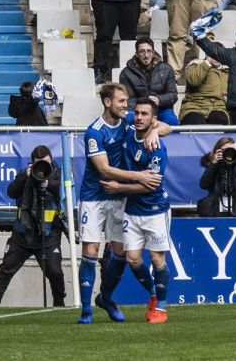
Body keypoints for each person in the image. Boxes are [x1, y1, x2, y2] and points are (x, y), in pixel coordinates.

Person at [75, 83, 164, 325]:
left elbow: (168, 126)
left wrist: (155, 130)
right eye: (122, 101)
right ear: (107, 102)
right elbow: (103, 169)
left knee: (121, 254)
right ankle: (85, 311)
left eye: (127, 101)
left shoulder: (127, 122)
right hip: (94, 196)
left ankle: (106, 298)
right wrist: (139, 176)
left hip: (118, 196)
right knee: (90, 251)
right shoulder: (95, 132)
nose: (127, 106)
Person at [99, 98, 172, 324]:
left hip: (155, 210)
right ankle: (152, 293)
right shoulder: (130, 129)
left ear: (153, 119)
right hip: (131, 210)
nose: (139, 117)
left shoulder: (157, 149)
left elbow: (150, 184)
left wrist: (119, 187)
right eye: (137, 113)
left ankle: (160, 307)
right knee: (132, 259)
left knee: (157, 259)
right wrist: (156, 130)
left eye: (145, 114)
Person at [0, 145, 66, 307]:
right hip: (23, 232)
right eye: (39, 165)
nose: (43, 169)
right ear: (32, 163)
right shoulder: (26, 174)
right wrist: (26, 175)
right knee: (6, 269)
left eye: (47, 164)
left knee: (55, 271)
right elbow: (11, 192)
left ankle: (59, 303)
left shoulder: (58, 174)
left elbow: (64, 191)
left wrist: (47, 182)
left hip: (49, 233)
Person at [118, 37, 179, 125]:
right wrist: (145, 104)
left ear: (153, 53)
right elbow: (128, 100)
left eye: (149, 51)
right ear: (136, 54)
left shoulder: (167, 69)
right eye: (142, 51)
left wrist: (159, 100)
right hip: (137, 111)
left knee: (171, 119)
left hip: (161, 109)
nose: (146, 55)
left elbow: (173, 95)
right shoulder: (126, 73)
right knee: (127, 118)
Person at [198, 137, 236, 216]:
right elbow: (203, 185)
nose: (227, 153)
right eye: (223, 150)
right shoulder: (213, 163)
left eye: (229, 149)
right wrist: (213, 164)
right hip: (215, 205)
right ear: (217, 151)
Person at [179, 54, 229, 124]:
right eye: (213, 55)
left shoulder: (225, 71)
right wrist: (206, 63)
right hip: (194, 106)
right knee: (196, 122)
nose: (216, 58)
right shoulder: (195, 65)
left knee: (220, 120)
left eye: (219, 55)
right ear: (207, 55)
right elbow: (193, 82)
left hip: (217, 107)